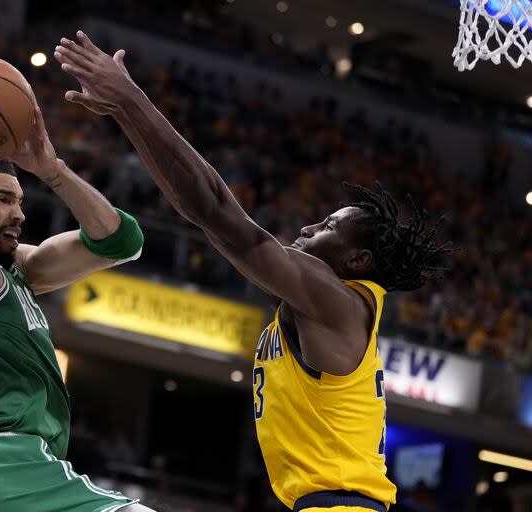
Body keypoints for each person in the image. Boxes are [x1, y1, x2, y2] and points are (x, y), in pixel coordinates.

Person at [55, 32, 451, 512]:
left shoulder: (336, 301)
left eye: (327, 226)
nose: (306, 227)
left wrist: (132, 99)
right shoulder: (318, 306)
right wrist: (123, 113)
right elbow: (201, 214)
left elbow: (217, 210)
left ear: (358, 261)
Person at [0, 57, 153, 512]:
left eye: (20, 200)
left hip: (0, 481)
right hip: (0, 464)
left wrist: (52, 170)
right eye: (3, 200)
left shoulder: (23, 269)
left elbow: (123, 242)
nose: (20, 213)